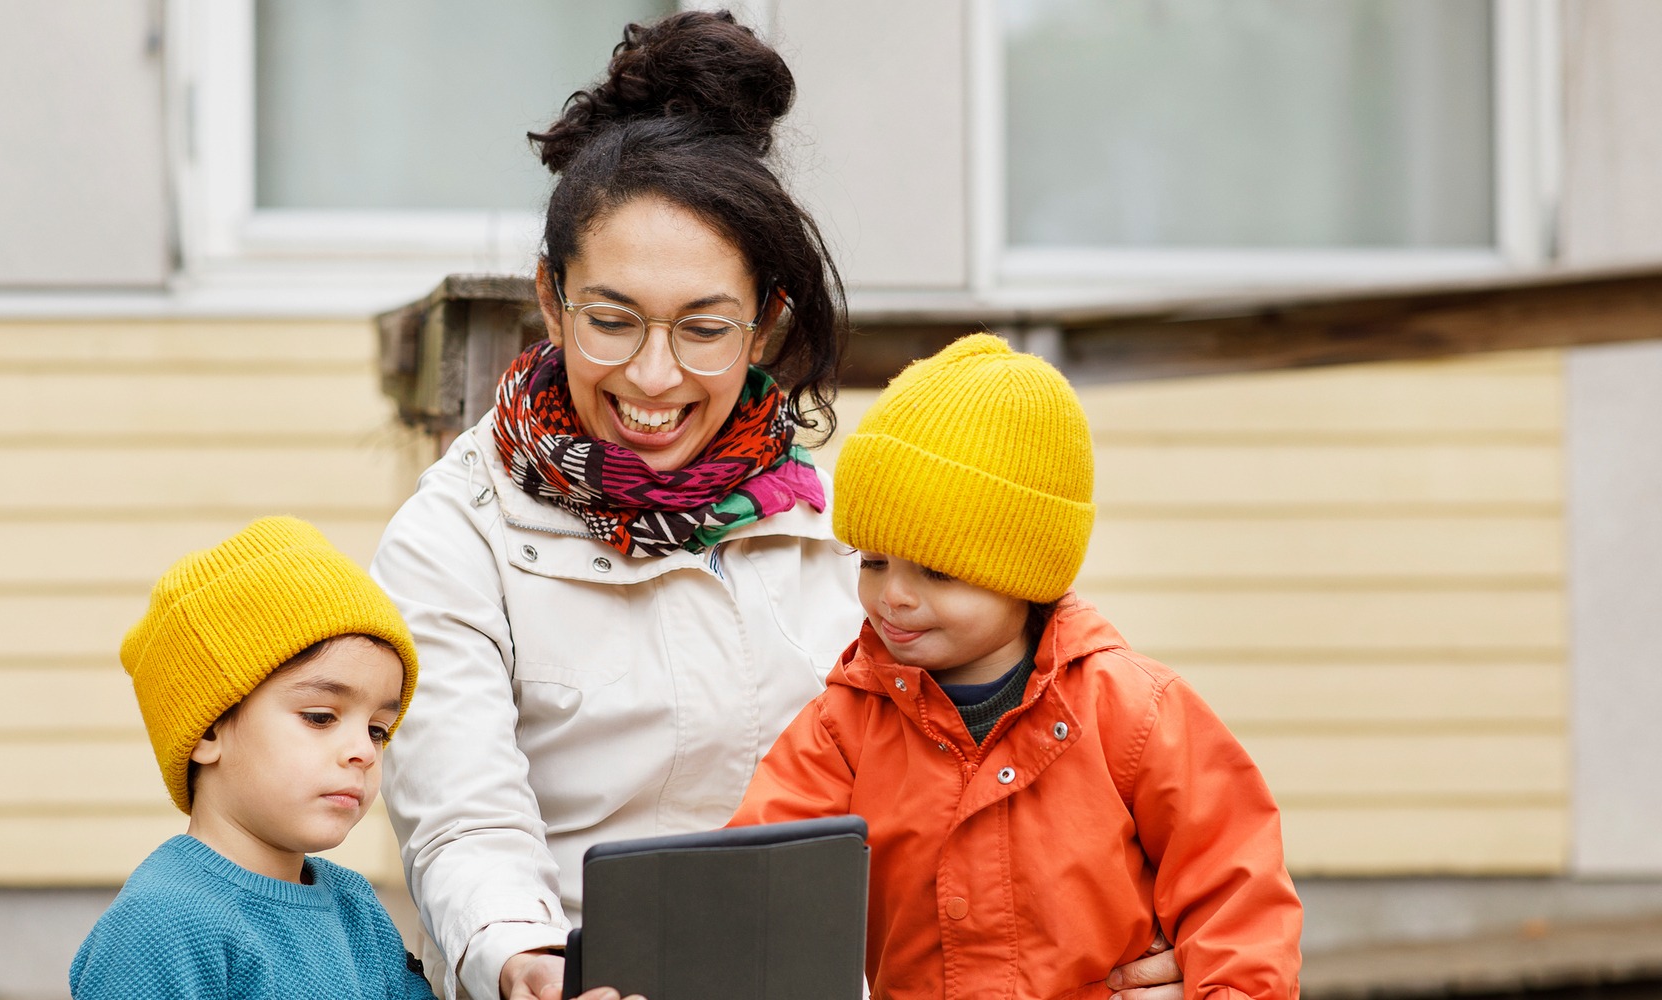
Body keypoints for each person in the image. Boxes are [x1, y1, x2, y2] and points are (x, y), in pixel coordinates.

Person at [372, 11, 1184, 1000]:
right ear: (551, 300)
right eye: (611, 320)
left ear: (764, 324)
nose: (653, 375)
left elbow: (1000, 768)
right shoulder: (457, 535)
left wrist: (1114, 931)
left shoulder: (852, 535)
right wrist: (522, 962)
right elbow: (464, 819)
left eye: (703, 327)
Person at [728, 336, 1305, 1000]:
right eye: (873, 562)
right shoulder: (846, 726)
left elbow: (1235, 891)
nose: (894, 595)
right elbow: (756, 884)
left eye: (937, 571)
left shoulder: (1134, 712)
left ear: (1024, 574)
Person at [70, 517, 638, 1000]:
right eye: (320, 717)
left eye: (379, 729)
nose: (362, 751)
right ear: (208, 730)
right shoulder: (159, 927)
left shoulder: (353, 907)